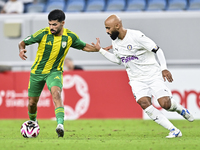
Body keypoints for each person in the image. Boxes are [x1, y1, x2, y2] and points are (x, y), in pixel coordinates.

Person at [92, 14, 194, 138]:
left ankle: (180, 110)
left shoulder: (136, 36)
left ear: (117, 25)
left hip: (152, 75)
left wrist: (164, 68)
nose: (107, 31)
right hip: (136, 79)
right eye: (106, 29)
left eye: (108, 28)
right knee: (144, 103)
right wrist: (101, 50)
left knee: (165, 104)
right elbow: (119, 60)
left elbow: (157, 50)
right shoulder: (115, 42)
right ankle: (174, 130)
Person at [18, 9, 99, 138]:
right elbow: (22, 42)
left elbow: (83, 46)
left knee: (56, 93)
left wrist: (97, 49)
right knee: (32, 103)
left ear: (62, 23)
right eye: (49, 24)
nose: (51, 27)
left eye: (54, 24)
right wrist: (22, 50)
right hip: (37, 72)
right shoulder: (43, 34)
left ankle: (60, 125)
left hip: (54, 72)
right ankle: (33, 121)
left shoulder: (70, 36)